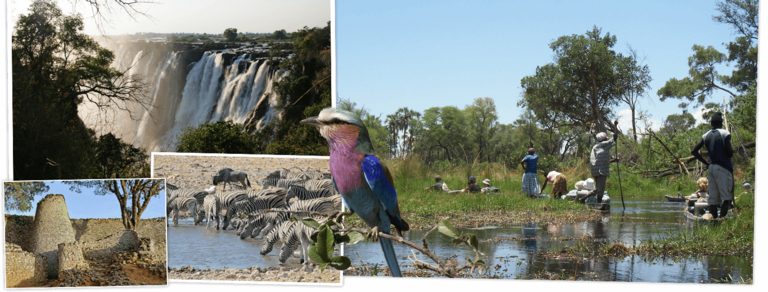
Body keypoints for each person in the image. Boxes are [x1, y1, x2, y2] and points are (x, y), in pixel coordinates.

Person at [691, 112, 734, 219]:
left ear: (711, 124)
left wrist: (706, 162)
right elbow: (730, 153)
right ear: (721, 123)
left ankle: (714, 222)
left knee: (713, 200)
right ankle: (721, 221)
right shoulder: (724, 133)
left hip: (712, 168)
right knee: (727, 198)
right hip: (723, 167)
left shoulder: (706, 135)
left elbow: (694, 151)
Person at [579, 128, 618, 204]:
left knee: (598, 189)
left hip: (595, 170)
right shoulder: (604, 144)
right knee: (601, 190)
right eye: (606, 138)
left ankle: (584, 199)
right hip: (601, 171)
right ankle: (598, 204)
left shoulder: (595, 147)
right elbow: (615, 137)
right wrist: (615, 125)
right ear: (604, 139)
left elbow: (600, 161)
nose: (607, 139)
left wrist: (613, 160)